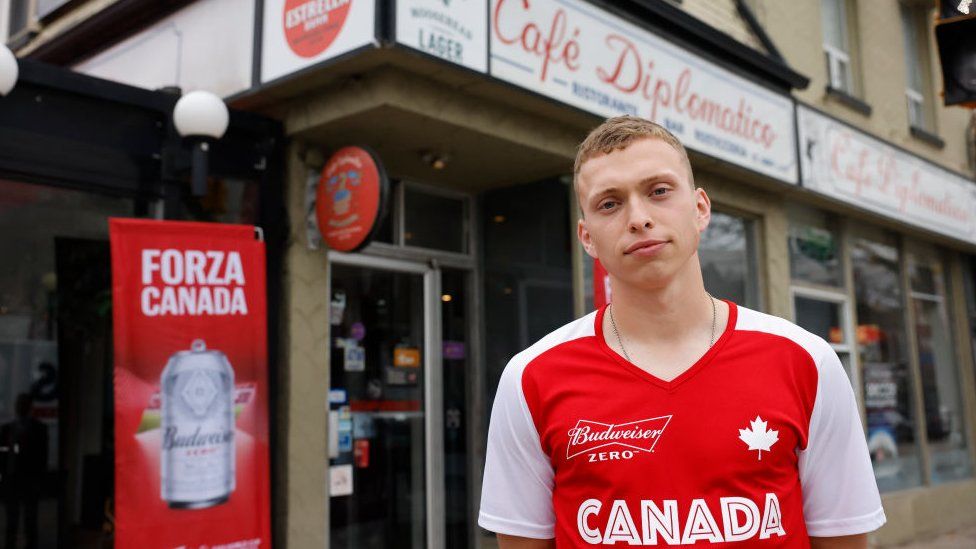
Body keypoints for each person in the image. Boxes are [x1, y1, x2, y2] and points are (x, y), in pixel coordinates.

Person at [478, 116, 884, 548]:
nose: (638, 218)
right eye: (609, 204)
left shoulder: (805, 360)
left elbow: (843, 538)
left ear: (700, 208)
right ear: (587, 237)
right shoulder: (531, 377)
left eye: (658, 191)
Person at [1, 394, 48, 549]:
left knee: (30, 522)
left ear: (28, 407)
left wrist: (40, 481)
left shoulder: (40, 429)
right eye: (18, 404)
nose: (19, 407)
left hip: (30, 481)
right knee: (11, 523)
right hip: (12, 481)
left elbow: (42, 458)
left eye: (22, 404)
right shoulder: (6, 429)